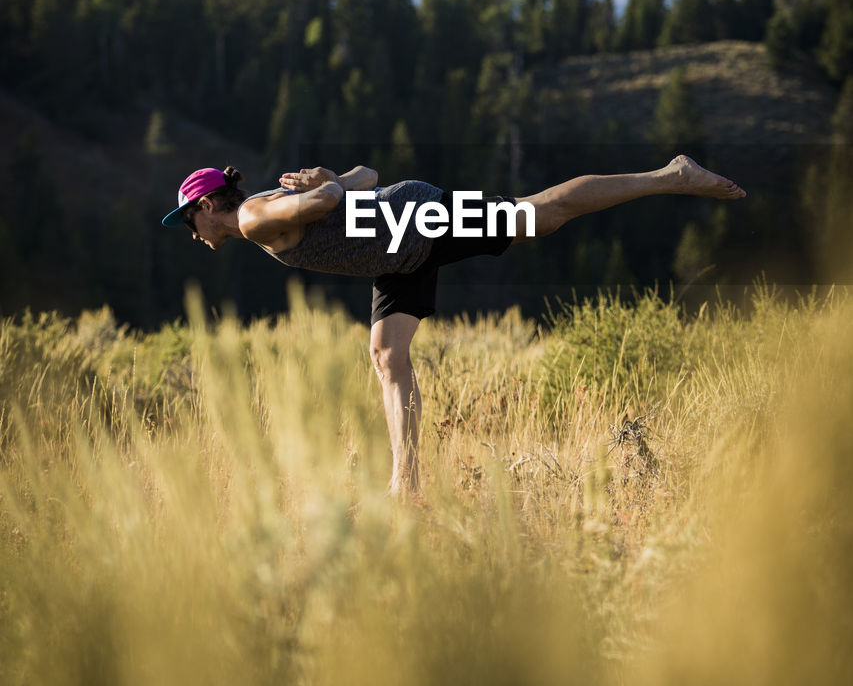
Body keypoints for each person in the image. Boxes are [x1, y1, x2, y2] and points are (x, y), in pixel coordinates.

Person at [162, 156, 746, 495]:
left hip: (414, 221)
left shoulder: (256, 216)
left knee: (541, 214)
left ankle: (671, 175)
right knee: (387, 355)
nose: (193, 235)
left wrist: (326, 186)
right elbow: (365, 174)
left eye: (190, 222)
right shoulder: (256, 212)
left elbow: (326, 201)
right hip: (393, 251)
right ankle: (406, 484)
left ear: (209, 205)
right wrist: (336, 180)